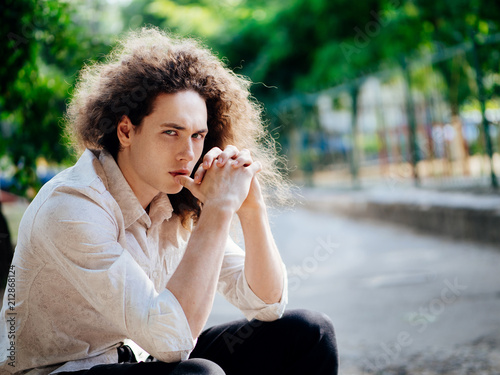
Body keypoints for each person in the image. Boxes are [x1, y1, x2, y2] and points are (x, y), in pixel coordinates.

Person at [0, 27, 338, 375]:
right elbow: (174, 342)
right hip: (58, 370)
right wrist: (219, 211)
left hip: (139, 359)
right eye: (171, 133)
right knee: (198, 373)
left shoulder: (173, 199)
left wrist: (252, 208)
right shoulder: (74, 205)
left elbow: (266, 304)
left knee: (309, 332)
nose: (188, 153)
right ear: (126, 131)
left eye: (198, 135)